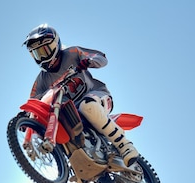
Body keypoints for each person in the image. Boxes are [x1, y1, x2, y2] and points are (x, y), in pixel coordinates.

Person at [22, 23, 139, 167]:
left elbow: (100, 56)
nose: (41, 56)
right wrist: (25, 116)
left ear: (54, 45)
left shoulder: (72, 53)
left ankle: (124, 145)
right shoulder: (41, 79)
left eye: (44, 50)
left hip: (96, 96)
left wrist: (89, 61)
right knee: (58, 123)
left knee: (87, 106)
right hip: (71, 112)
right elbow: (34, 101)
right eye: (37, 53)